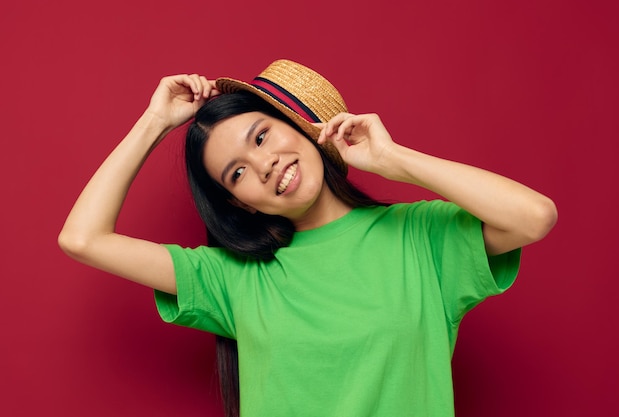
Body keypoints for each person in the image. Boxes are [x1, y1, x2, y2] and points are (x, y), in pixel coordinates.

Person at [58, 59, 557, 417]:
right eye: (237, 174)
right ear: (241, 203)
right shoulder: (233, 279)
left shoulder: (420, 237)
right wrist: (154, 122)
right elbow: (83, 238)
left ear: (298, 124)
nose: (264, 163)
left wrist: (395, 161)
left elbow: (533, 216)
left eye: (261, 137)